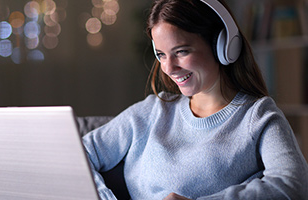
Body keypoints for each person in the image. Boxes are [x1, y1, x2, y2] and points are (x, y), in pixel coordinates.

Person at [82, 0, 308, 199]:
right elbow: (81, 152)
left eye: (181, 51)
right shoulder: (154, 109)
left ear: (222, 45)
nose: (169, 68)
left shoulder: (257, 116)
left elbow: (292, 184)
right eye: (161, 55)